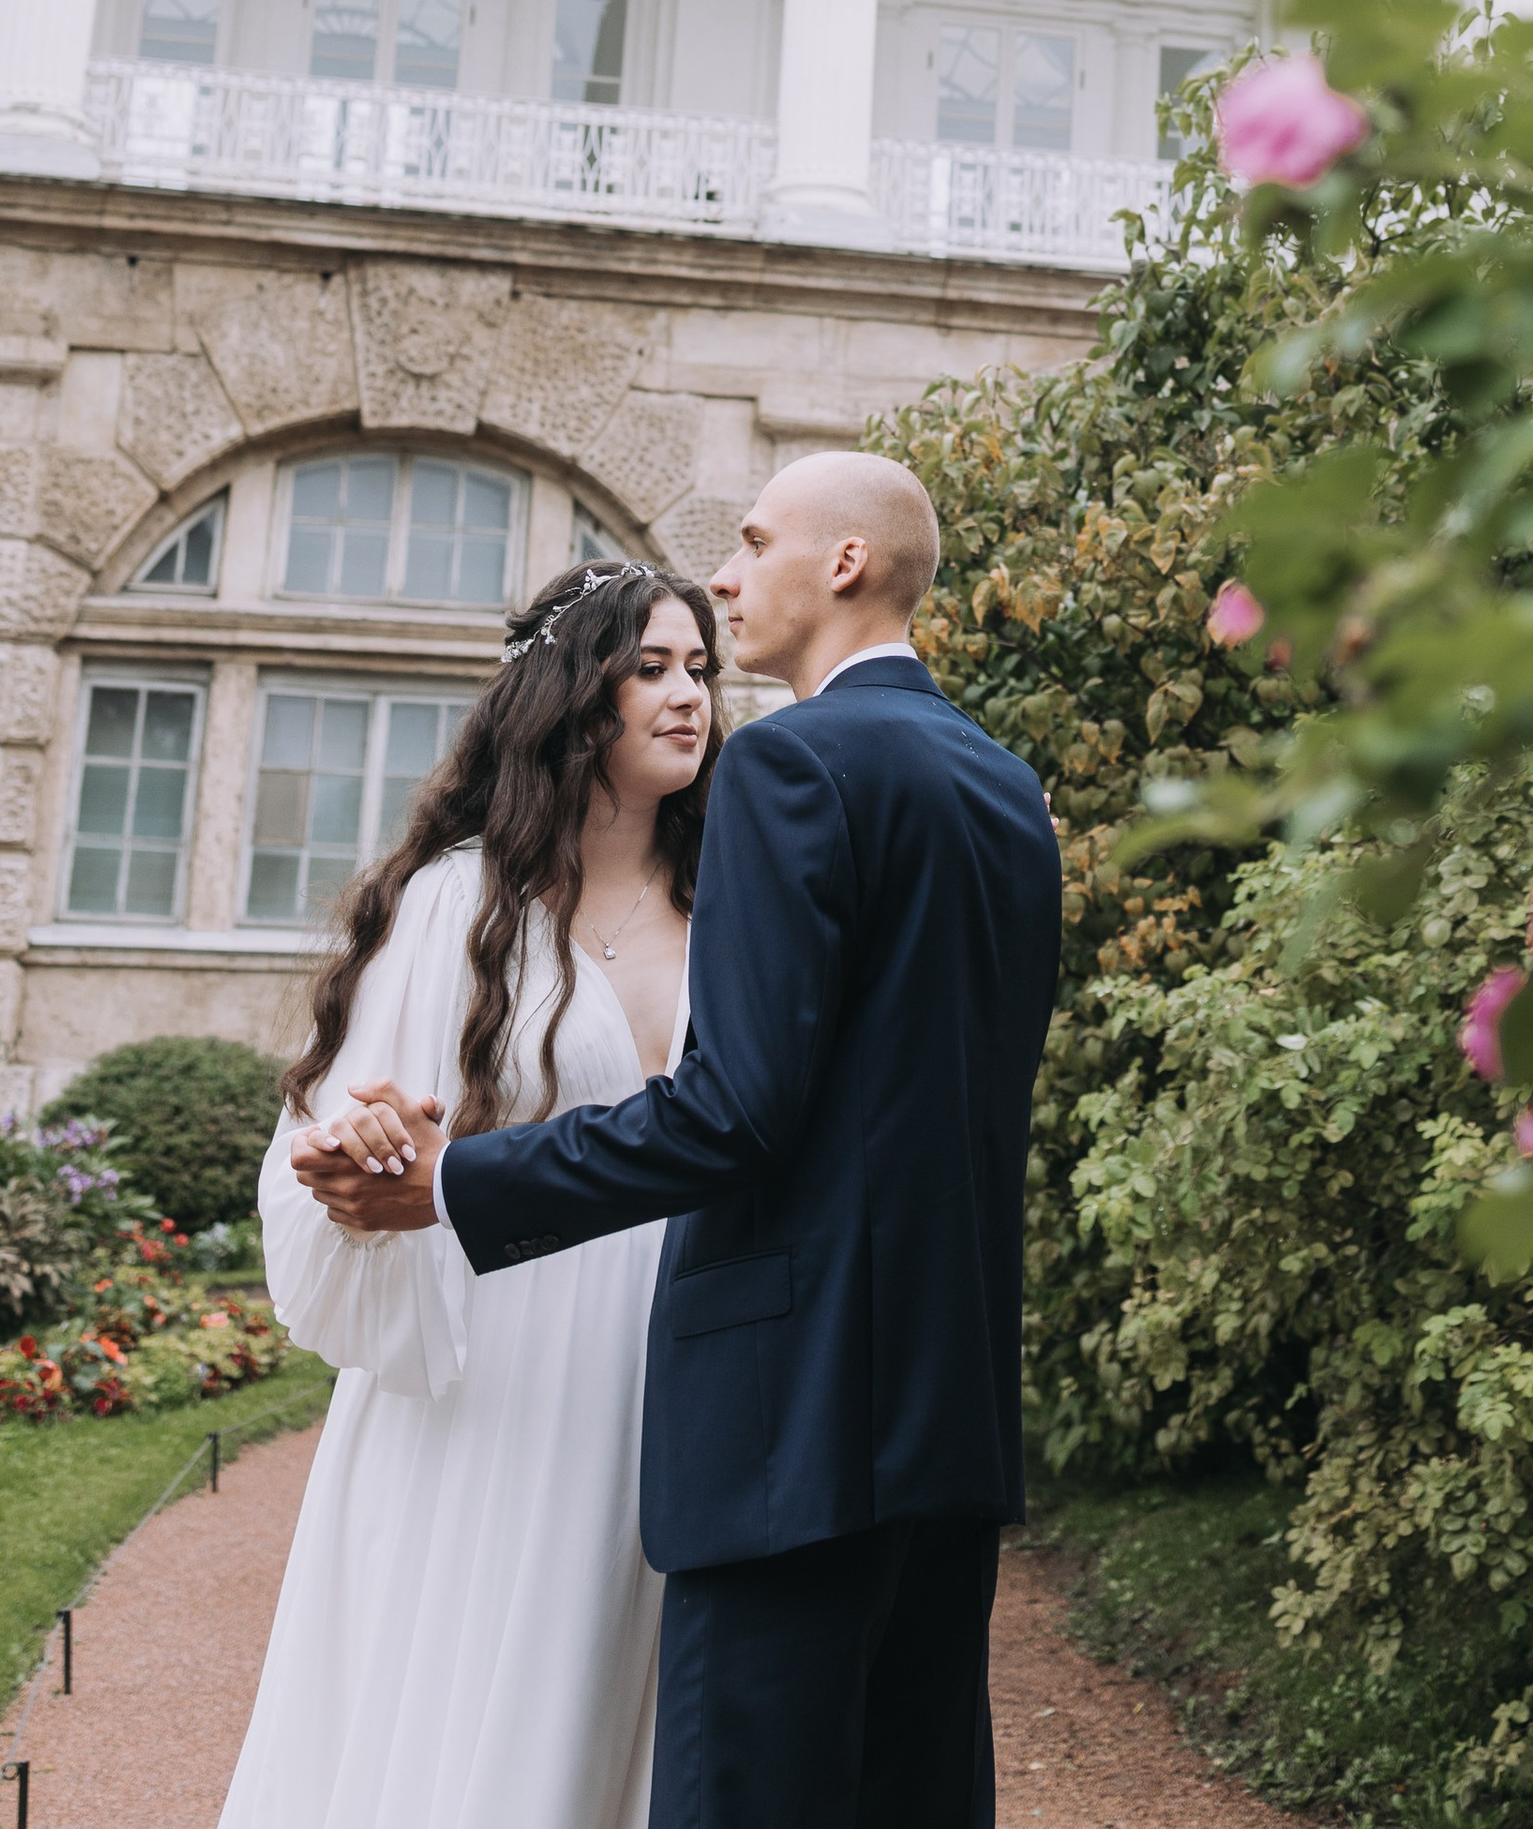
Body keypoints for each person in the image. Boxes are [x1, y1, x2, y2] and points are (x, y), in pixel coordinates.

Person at [297, 447, 1063, 1829]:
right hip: (941, 1414)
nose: (725, 576)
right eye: (652, 663)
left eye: (755, 542)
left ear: (841, 566)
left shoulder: (793, 769)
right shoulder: (1007, 789)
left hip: (776, 1411)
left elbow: (739, 1109)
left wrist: (456, 1185)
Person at [226, 557, 721, 1829]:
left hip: (685, 1347)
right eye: (652, 668)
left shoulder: (737, 905)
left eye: (702, 670)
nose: (688, 697)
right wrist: (374, 1145)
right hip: (498, 1363)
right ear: (571, 694)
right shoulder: (455, 907)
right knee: (480, 1689)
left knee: (650, 1694)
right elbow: (345, 1133)